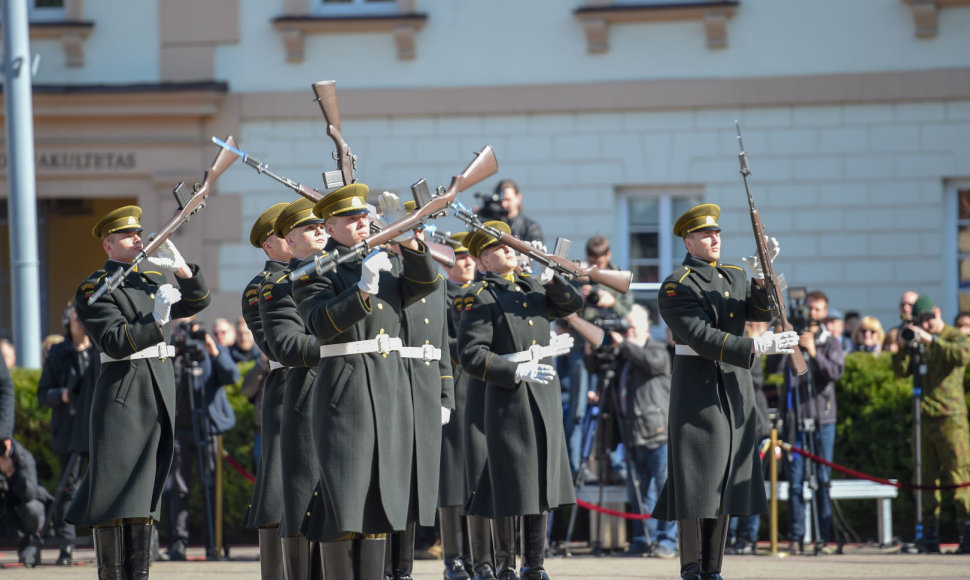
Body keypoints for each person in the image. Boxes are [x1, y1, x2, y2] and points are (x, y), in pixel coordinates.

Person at [292, 183, 439, 579]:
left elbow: (426, 284)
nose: (362, 222)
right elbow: (320, 324)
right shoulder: (313, 270)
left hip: (389, 388)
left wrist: (408, 240)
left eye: (364, 216)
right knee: (346, 495)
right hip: (347, 391)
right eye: (351, 218)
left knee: (382, 497)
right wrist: (361, 289)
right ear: (329, 226)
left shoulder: (381, 257)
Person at [68, 205, 211, 579]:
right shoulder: (93, 287)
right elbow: (115, 340)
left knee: (145, 497)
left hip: (157, 393)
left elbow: (197, 301)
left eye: (138, 233)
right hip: (124, 397)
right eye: (127, 236)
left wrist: (181, 269)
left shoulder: (148, 279)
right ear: (108, 246)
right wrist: (157, 319)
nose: (138, 239)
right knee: (116, 494)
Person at [654, 203, 796, 580]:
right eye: (705, 234)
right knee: (695, 483)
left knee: (724, 481)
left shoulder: (734, 276)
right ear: (689, 242)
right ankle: (691, 567)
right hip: (698, 392)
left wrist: (764, 277)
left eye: (717, 233)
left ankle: (713, 568)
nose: (714, 239)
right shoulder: (677, 284)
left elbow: (762, 312)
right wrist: (755, 347)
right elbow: (700, 336)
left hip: (734, 389)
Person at [458, 220, 583, 580]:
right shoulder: (480, 295)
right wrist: (515, 369)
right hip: (508, 399)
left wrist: (551, 277)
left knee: (541, 481)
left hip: (542, 395)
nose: (507, 249)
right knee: (511, 483)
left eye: (508, 244)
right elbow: (471, 354)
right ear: (482, 262)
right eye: (497, 248)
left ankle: (534, 563)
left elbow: (572, 303)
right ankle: (504, 563)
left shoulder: (531, 286)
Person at [385, 210, 455, 580]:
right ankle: (386, 567)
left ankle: (404, 568)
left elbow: (441, 344)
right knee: (393, 481)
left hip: (426, 385)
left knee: (415, 483)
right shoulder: (389, 275)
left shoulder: (437, 281)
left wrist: (446, 395)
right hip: (396, 379)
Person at [259, 197, 326, 579]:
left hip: (335, 389)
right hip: (295, 390)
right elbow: (278, 347)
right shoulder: (268, 287)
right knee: (294, 494)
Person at [892, 295, 970, 554]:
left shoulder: (953, 336)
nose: (926, 324)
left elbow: (963, 356)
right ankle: (929, 537)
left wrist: (932, 341)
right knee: (926, 481)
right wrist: (904, 345)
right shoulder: (919, 340)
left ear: (938, 313)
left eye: (929, 318)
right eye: (921, 320)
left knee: (960, 478)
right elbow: (901, 371)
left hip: (951, 418)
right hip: (924, 419)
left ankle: (967, 534)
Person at [240, 202, 291, 580]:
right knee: (276, 488)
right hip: (287, 388)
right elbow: (275, 346)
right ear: (269, 245)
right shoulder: (260, 288)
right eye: (284, 232)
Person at [163, 316, 239, 561]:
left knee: (211, 486)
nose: (183, 328)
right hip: (179, 428)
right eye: (179, 323)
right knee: (178, 489)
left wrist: (213, 349)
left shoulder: (207, 346)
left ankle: (213, 544)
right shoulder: (169, 347)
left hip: (207, 427)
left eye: (187, 323)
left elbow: (232, 375)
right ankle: (178, 543)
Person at [777, 291, 844, 555]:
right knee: (795, 482)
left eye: (818, 309)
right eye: (809, 309)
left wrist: (814, 352)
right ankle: (796, 537)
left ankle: (822, 538)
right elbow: (774, 368)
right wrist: (786, 341)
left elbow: (835, 373)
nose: (812, 314)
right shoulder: (795, 339)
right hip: (796, 420)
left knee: (822, 480)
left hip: (822, 420)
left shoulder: (830, 342)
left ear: (825, 312)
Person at [36, 300, 100, 566]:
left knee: (100, 487)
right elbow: (43, 394)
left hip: (95, 429)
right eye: (77, 318)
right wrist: (63, 394)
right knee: (67, 489)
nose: (81, 323)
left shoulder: (99, 351)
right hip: (68, 428)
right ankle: (67, 546)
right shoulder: (59, 353)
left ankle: (105, 544)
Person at [611, 304, 677, 559]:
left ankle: (667, 541)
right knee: (638, 492)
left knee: (663, 490)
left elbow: (652, 364)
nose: (627, 330)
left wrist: (623, 345)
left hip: (658, 432)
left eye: (632, 325)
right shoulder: (625, 355)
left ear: (646, 328)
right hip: (632, 433)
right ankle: (642, 540)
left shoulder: (657, 349)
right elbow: (600, 370)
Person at [437, 232, 483, 579]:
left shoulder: (483, 294)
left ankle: (482, 555)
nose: (468, 262)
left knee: (481, 477)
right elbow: (440, 342)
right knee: (452, 478)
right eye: (461, 257)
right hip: (453, 387)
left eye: (471, 257)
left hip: (482, 391)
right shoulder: (438, 295)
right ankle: (454, 556)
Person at [0, 437, 51, 568]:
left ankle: (29, 543)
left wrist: (11, 473)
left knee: (32, 508)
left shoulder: (22, 456)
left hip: (19, 514)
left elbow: (30, 494)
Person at [493, 179, 544, 245]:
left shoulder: (531, 227)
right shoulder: (492, 224)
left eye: (507, 199)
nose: (503, 204)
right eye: (500, 200)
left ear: (518, 198)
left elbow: (537, 252)